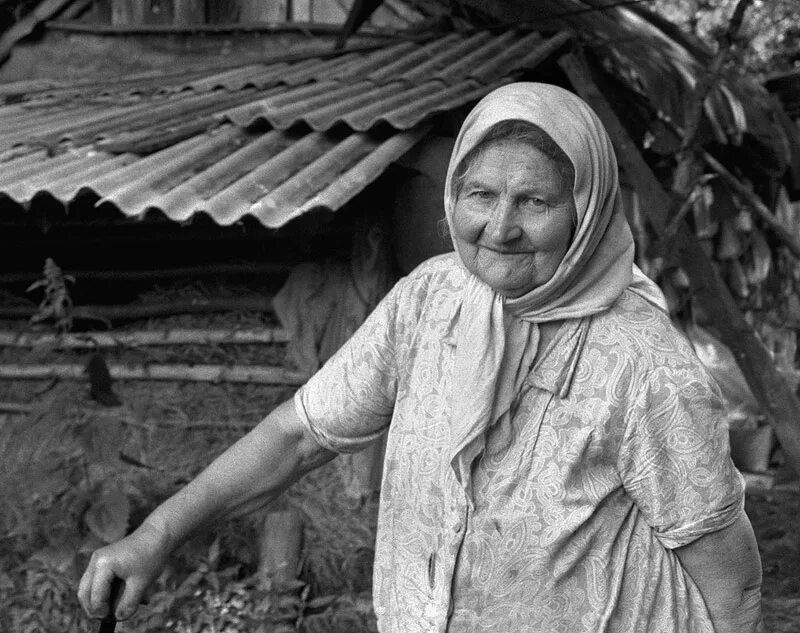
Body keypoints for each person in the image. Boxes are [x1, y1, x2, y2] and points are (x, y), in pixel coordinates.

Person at [78, 83, 763, 633]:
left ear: (584, 211)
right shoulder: (431, 302)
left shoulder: (643, 364)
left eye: (536, 201)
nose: (500, 227)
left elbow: (730, 582)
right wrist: (158, 534)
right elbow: (296, 437)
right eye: (480, 195)